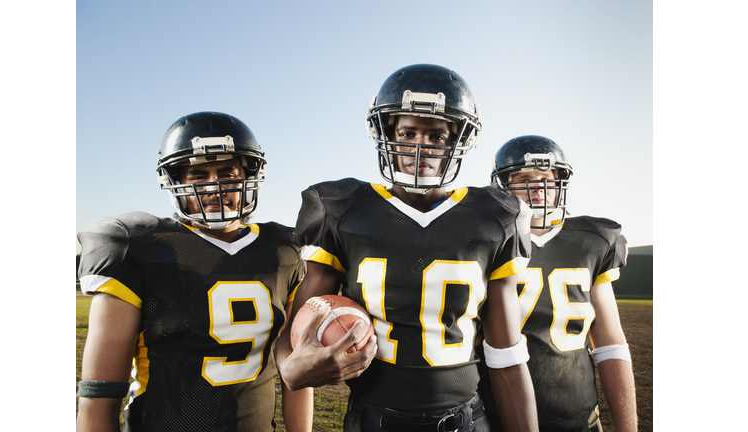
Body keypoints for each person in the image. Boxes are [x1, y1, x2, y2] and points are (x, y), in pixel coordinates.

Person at [274, 64, 539, 432]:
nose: (420, 147)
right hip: (373, 419)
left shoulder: (495, 218)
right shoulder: (343, 209)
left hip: (464, 420)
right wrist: (288, 366)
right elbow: (297, 330)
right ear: (385, 133)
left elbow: (508, 357)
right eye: (407, 132)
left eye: (437, 137)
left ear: (459, 142)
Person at [76, 111, 312, 432]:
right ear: (175, 182)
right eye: (197, 176)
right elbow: (99, 395)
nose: (214, 186)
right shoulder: (143, 247)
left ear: (249, 175)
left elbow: (295, 374)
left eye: (226, 172)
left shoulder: (283, 249)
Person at [482, 135, 638, 432]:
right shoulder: (487, 240)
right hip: (496, 419)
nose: (538, 186)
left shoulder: (592, 241)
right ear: (502, 186)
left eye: (546, 177)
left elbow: (611, 344)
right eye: (525, 177)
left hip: (579, 419)